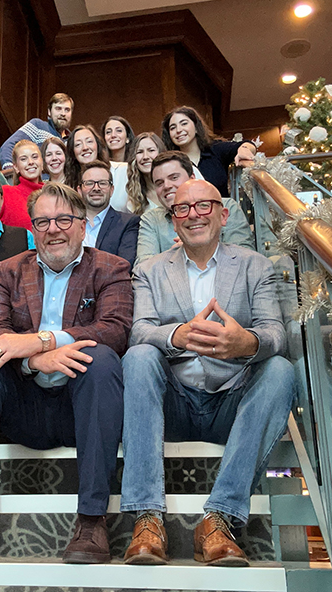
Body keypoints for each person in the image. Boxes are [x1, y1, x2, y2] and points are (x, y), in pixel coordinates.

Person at [0, 183, 133, 565]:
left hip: (81, 405)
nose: (54, 229)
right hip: (23, 406)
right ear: (33, 228)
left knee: (101, 360)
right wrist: (35, 362)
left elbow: (115, 328)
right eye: (43, 221)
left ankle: (93, 518)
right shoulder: (10, 270)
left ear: (83, 226)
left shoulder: (111, 267)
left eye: (64, 219)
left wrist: (41, 342)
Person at [120, 179, 296, 567]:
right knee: (138, 357)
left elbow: (275, 333)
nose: (193, 215)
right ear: (173, 221)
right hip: (174, 404)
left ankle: (219, 519)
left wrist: (245, 343)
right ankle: (147, 519)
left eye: (203, 206)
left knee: (281, 370)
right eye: (182, 209)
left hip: (232, 404)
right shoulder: (149, 270)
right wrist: (178, 335)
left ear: (223, 213)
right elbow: (140, 329)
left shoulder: (255, 265)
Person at [136, 151, 253, 265]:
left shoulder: (225, 206)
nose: (166, 186)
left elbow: (244, 255)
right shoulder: (151, 219)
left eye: (174, 177)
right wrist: (176, 255)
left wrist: (199, 249)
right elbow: (142, 267)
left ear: (192, 177)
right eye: (159, 183)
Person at [161, 106, 256, 197]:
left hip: (222, 211)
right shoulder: (171, 162)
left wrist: (244, 150)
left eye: (184, 123)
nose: (178, 130)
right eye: (172, 127)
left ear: (196, 127)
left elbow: (247, 144)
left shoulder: (215, 149)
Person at [78, 160, 140, 269]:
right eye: (89, 183)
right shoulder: (69, 223)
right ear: (79, 190)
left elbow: (124, 265)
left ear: (111, 190)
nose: (96, 188)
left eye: (102, 183)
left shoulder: (128, 223)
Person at [0, 93, 73, 169]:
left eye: (67, 110)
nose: (63, 114)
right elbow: (8, 146)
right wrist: (10, 173)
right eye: (58, 109)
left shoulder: (72, 140)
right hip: (39, 180)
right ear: (49, 112)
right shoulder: (37, 126)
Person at [0, 140, 44, 230]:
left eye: (35, 157)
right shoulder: (6, 193)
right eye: (23, 159)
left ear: (42, 163)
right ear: (16, 167)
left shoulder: (52, 194)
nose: (30, 162)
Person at [125, 132, 166, 215]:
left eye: (151, 150)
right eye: (139, 152)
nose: (145, 157)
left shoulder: (175, 186)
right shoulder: (134, 201)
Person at [64, 125, 110, 190]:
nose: (85, 148)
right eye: (78, 144)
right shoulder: (69, 185)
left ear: (97, 145)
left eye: (89, 141)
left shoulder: (117, 172)